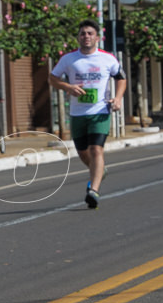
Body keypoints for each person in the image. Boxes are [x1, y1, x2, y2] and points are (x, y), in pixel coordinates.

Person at [48, 19, 126, 209]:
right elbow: (52, 78)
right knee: (83, 153)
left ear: (97, 37)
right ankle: (100, 171)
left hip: (100, 111)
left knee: (96, 150)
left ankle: (94, 190)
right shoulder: (69, 59)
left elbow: (121, 78)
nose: (86, 36)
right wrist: (68, 87)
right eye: (83, 33)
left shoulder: (108, 58)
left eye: (90, 33)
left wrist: (117, 98)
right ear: (78, 37)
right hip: (77, 114)